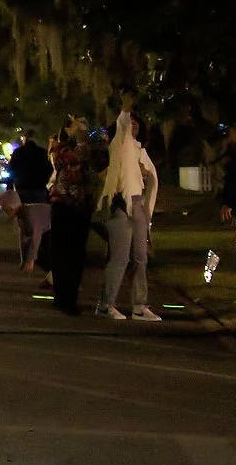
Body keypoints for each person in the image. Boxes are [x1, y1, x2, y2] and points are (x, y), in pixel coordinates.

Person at [95, 107, 161, 321]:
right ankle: (106, 304)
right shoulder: (117, 146)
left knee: (140, 257)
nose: (132, 124)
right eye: (128, 122)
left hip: (139, 203)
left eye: (136, 122)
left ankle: (140, 305)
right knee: (120, 257)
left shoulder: (140, 149)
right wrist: (125, 108)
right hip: (120, 203)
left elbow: (149, 177)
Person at [48, 118, 93, 316]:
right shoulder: (60, 149)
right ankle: (62, 295)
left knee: (76, 254)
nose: (80, 127)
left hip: (81, 206)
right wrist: (75, 135)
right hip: (62, 205)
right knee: (62, 252)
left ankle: (70, 295)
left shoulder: (88, 150)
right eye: (76, 124)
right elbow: (65, 158)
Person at [7, 132, 54, 274]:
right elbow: (49, 169)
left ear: (24, 139)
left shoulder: (18, 153)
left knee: (24, 226)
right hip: (39, 191)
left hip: (23, 191)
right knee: (37, 227)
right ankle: (32, 259)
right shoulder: (41, 152)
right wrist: (43, 182)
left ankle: (25, 259)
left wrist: (12, 187)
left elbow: (10, 171)